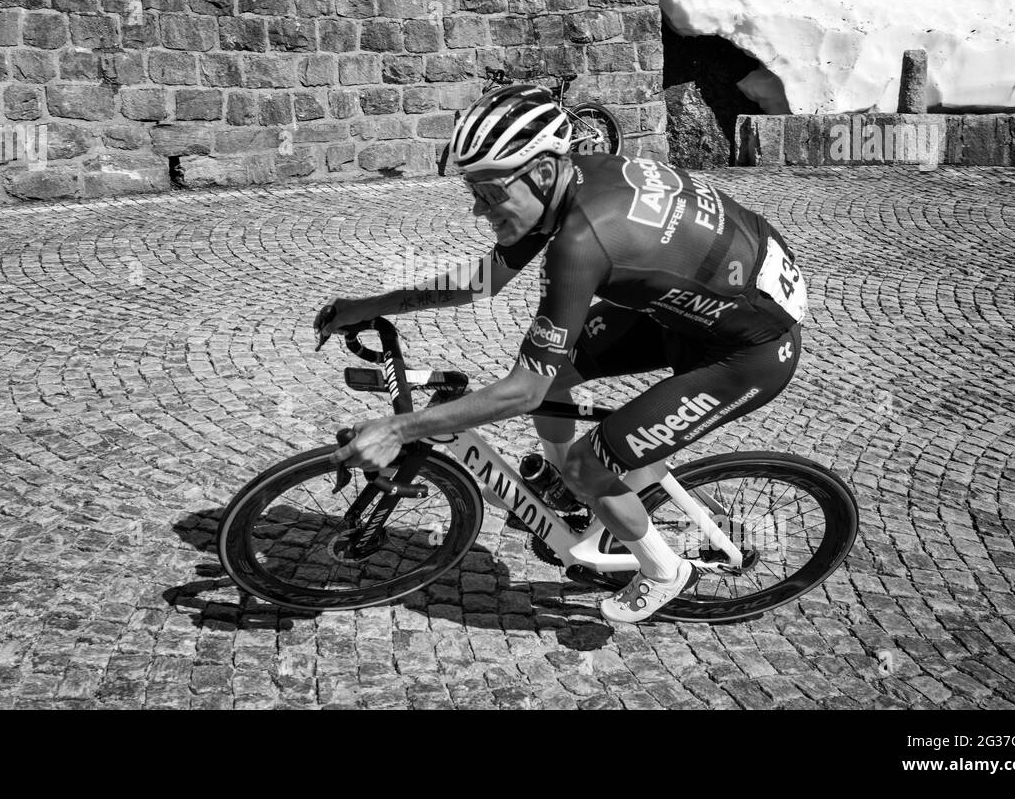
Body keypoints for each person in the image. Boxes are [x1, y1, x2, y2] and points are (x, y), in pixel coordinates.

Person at [316, 84, 808, 624]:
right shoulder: (574, 181)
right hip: (696, 311)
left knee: (588, 460)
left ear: (544, 172)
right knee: (556, 374)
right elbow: (484, 281)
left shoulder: (581, 241)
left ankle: (664, 570)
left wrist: (397, 430)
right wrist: (369, 304)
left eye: (490, 192)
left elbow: (519, 390)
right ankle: (567, 488)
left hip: (749, 351)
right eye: (472, 191)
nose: (480, 210)